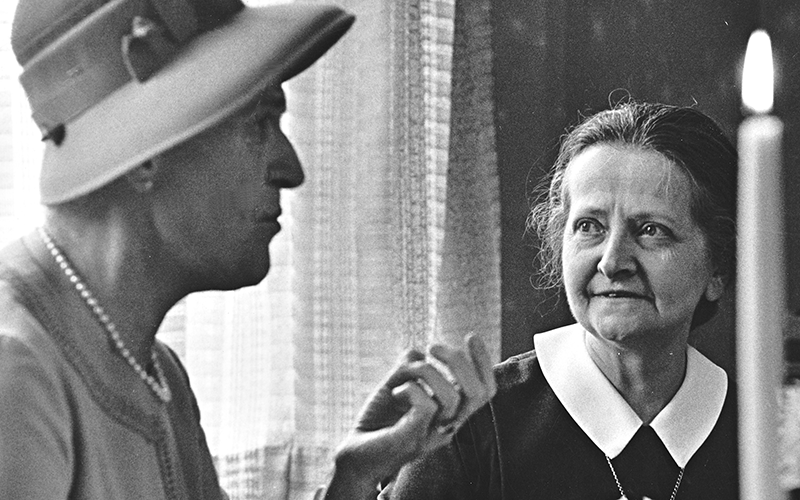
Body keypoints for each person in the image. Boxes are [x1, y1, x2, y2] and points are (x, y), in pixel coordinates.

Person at [0, 0, 496, 499]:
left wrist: (353, 477)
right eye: (260, 124)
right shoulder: (16, 370)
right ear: (144, 154)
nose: (290, 169)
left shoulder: (157, 374)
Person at [384, 101, 739, 499]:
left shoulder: (762, 431)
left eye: (651, 230)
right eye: (589, 226)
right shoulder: (472, 427)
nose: (612, 262)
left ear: (718, 269)